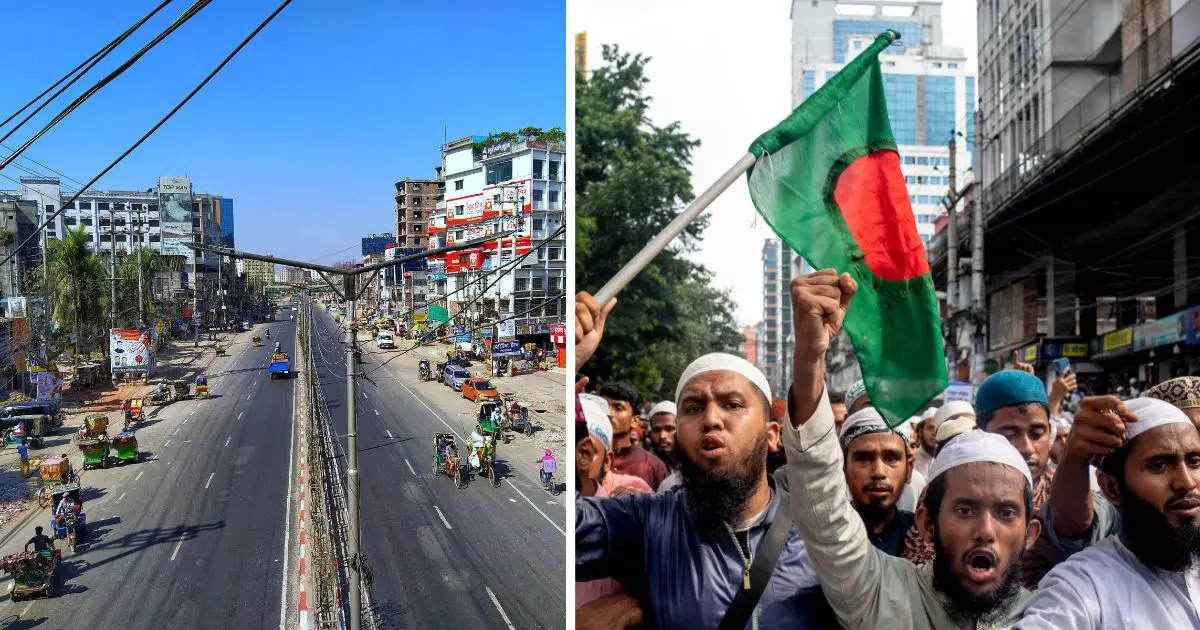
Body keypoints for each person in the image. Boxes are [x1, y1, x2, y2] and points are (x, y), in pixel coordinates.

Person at [783, 269, 1041, 628]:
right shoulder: (883, 592)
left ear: (1030, 534)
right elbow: (821, 499)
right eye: (964, 509)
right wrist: (810, 358)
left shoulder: (1053, 613)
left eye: (1007, 513)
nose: (985, 530)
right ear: (927, 524)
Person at [576, 352, 836, 629]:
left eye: (733, 404)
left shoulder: (821, 533)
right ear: (679, 433)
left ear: (771, 433)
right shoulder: (649, 521)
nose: (711, 419)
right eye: (693, 408)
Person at [1020, 397, 1200, 628]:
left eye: (1195, 461)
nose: (1186, 482)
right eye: (1159, 465)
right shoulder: (1083, 587)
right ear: (1111, 488)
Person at [839, 407, 916, 557]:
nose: (879, 472)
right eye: (864, 458)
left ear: (909, 469)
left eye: (891, 458)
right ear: (843, 468)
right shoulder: (826, 534)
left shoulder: (924, 536)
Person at [598, 381, 667, 490]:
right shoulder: (588, 456)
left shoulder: (653, 466)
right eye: (604, 407)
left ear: (635, 420)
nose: (608, 413)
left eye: (618, 408)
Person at [913, 407, 938, 477]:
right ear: (920, 431)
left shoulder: (945, 459)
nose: (934, 433)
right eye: (930, 428)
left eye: (938, 428)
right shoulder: (912, 459)